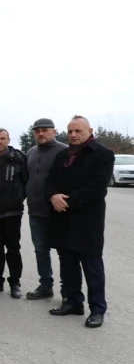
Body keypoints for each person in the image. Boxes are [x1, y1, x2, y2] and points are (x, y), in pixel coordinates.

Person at [46, 116, 114, 328]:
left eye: (78, 131)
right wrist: (53, 196)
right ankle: (73, 302)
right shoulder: (62, 155)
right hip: (62, 219)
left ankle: (97, 309)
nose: (73, 135)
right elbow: (49, 181)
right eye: (70, 131)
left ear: (89, 131)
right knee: (68, 265)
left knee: (92, 266)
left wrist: (67, 201)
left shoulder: (102, 154)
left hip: (87, 220)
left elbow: (97, 187)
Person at [24, 118, 69, 300]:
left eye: (45, 130)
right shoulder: (31, 152)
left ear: (54, 131)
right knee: (40, 251)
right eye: (37, 131)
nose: (41, 133)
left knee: (64, 252)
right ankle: (45, 286)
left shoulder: (65, 151)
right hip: (35, 211)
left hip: (58, 212)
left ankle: (68, 290)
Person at [0, 128, 28, 298]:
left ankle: (15, 283)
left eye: (3, 138)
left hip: (12, 212)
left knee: (13, 249)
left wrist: (18, 199)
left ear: (8, 139)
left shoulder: (18, 158)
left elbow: (26, 182)